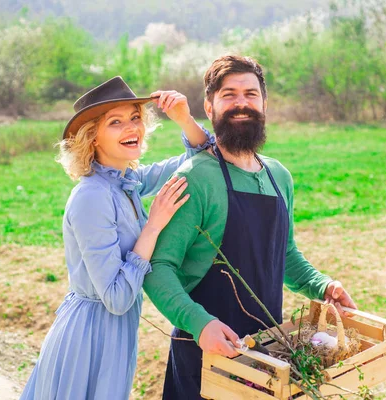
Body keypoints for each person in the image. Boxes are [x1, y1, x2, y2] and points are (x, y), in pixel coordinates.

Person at [142, 55, 358, 399]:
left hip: (268, 352)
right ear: (209, 107)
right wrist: (200, 325)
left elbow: (283, 255)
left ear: (264, 104)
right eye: (228, 95)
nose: (241, 103)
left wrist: (322, 286)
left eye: (250, 94)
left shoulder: (278, 176)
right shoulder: (194, 178)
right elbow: (157, 268)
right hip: (206, 353)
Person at [19, 76, 214, 400]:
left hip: (115, 335)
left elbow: (201, 155)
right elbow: (117, 297)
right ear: (92, 136)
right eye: (116, 122)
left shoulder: (127, 180)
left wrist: (182, 116)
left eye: (135, 117)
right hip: (89, 336)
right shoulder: (92, 197)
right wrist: (153, 226)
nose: (131, 128)